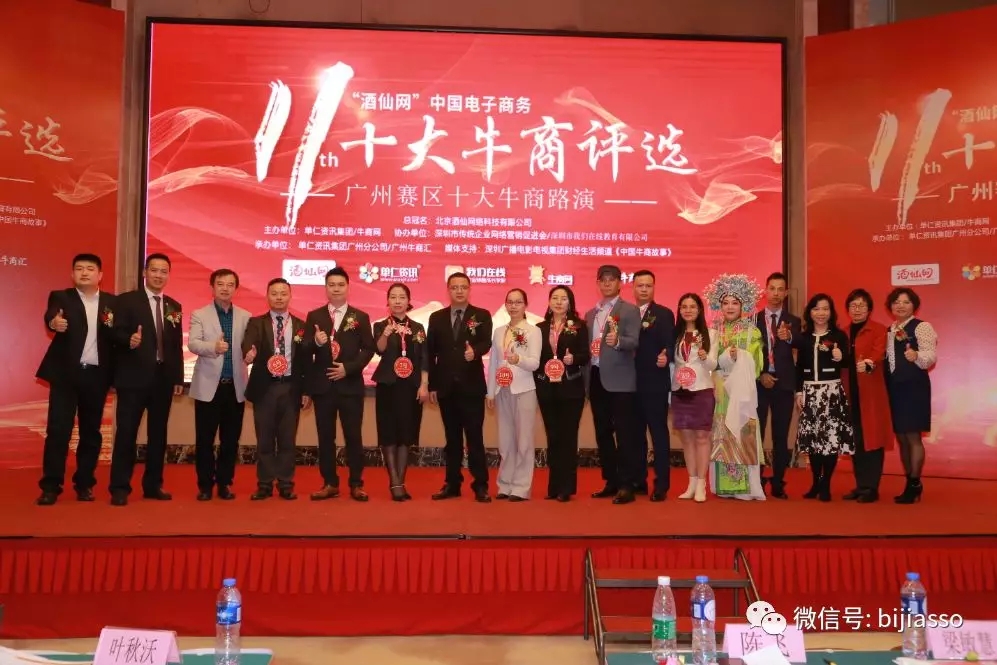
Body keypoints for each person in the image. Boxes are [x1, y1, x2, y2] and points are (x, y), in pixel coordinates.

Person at [35, 253, 116, 505]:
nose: (84, 273)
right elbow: (51, 315)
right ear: (72, 274)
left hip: (97, 376)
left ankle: (84, 484)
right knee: (58, 430)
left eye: (90, 269)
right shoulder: (62, 297)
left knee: (91, 433)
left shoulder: (111, 303)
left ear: (100, 275)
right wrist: (54, 322)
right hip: (66, 375)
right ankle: (51, 486)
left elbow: (118, 336)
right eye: (79, 269)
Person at [108, 253, 184, 506]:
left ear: (168, 275)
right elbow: (112, 332)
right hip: (133, 379)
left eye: (163, 271)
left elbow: (175, 345)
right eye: (154, 270)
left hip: (163, 380)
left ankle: (153, 485)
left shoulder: (173, 306)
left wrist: (178, 377)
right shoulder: (126, 301)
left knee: (158, 435)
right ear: (144, 272)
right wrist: (128, 339)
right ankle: (120, 487)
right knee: (126, 433)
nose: (158, 275)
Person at [305, 267, 376, 502]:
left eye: (340, 285)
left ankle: (356, 484)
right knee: (326, 437)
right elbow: (304, 349)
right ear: (326, 288)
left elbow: (369, 349)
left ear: (348, 287)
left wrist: (349, 368)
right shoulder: (314, 316)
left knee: (353, 436)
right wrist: (316, 342)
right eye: (331, 285)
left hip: (350, 386)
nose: (336, 289)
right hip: (323, 387)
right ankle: (330, 483)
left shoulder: (360, 317)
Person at [426, 272, 493, 502]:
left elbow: (486, 342)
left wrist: (476, 352)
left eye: (463, 287)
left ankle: (480, 485)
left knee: (475, 438)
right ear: (448, 290)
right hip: (446, 388)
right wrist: (432, 385)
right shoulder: (436, 318)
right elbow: (430, 353)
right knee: (452, 439)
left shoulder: (481, 315)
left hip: (471, 387)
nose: (459, 291)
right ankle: (452, 484)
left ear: (469, 289)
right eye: (454, 287)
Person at [242, 278, 310, 500]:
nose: (279, 297)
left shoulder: (301, 325)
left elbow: (306, 362)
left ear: (290, 296)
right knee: (265, 439)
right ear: (267, 296)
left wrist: (306, 391)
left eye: (283, 293)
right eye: (274, 293)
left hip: (290, 388)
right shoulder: (256, 323)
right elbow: (248, 343)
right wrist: (248, 353)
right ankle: (264, 484)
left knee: (287, 440)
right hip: (265, 388)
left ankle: (286, 483)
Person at [187, 268, 250, 501]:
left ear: (236, 289)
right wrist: (212, 347)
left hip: (235, 387)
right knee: (204, 440)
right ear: (212, 287)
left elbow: (249, 345)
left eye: (230, 284)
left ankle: (224, 483)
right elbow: (193, 343)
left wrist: (252, 353)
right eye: (220, 284)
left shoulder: (245, 316)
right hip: (208, 387)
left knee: (230, 440)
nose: (225, 288)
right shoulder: (199, 314)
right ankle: (205, 485)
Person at [703, 273, 765, 501]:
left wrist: (739, 356)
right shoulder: (713, 330)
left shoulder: (752, 331)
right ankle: (724, 486)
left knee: (743, 433)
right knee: (721, 434)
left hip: (742, 391)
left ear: (743, 305)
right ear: (719, 305)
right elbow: (708, 362)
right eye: (725, 302)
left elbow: (757, 364)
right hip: (720, 390)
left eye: (735, 302)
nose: (730, 307)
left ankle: (746, 488)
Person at [585, 264, 642, 505]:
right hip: (596, 377)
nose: (607, 283)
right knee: (603, 433)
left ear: (620, 283)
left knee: (625, 434)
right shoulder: (591, 314)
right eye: (603, 280)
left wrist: (618, 341)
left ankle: (627, 485)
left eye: (612, 279)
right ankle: (611, 481)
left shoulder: (629, 310)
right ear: (598, 283)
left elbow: (634, 341)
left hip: (620, 381)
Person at [794, 293, 854, 502]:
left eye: (825, 309)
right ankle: (815, 482)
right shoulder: (803, 338)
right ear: (810, 312)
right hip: (810, 392)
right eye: (816, 308)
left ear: (831, 312)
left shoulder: (839, 336)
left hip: (831, 392)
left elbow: (847, 362)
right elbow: (799, 368)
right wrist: (799, 392)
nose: (821, 313)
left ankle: (826, 483)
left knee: (830, 440)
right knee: (813, 441)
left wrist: (840, 357)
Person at [372, 283, 429, 501]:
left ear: (408, 301)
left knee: (406, 434)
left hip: (411, 387)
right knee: (388, 434)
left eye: (402, 297)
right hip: (388, 386)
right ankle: (394, 482)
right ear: (388, 301)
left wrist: (424, 385)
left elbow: (424, 358)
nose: (397, 301)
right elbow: (379, 349)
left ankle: (400, 482)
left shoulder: (418, 328)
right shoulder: (380, 325)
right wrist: (385, 335)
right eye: (393, 297)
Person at [534, 286, 590, 502]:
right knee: (553, 437)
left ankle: (566, 487)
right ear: (549, 302)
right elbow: (536, 359)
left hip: (571, 389)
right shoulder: (539, 328)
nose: (559, 302)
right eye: (555, 298)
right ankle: (553, 487)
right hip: (547, 390)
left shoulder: (579, 326)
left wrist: (573, 359)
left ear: (570, 303)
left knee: (568, 438)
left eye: (563, 298)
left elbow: (585, 355)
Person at [486, 288, 541, 501]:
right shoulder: (499, 331)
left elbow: (535, 363)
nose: (513, 306)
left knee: (524, 441)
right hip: (502, 390)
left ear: (525, 305)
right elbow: (493, 363)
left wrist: (519, 360)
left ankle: (521, 488)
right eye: (510, 302)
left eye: (518, 302)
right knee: (506, 441)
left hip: (524, 389)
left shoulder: (533, 331)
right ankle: (505, 484)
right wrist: (490, 392)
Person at [885, 287, 937, 504]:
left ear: (914, 305)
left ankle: (914, 483)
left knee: (913, 436)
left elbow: (930, 357)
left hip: (914, 387)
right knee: (902, 438)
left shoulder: (922, 327)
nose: (900, 306)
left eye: (906, 302)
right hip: (895, 388)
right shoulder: (890, 329)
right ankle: (910, 481)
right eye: (896, 302)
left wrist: (917, 356)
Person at [841, 288, 892, 503]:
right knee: (856, 441)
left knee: (873, 440)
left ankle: (871, 487)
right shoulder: (843, 332)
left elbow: (878, 353)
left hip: (871, 394)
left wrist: (869, 362)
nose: (857, 309)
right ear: (848, 309)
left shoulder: (878, 330)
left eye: (862, 305)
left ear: (869, 309)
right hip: (850, 393)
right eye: (853, 305)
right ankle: (861, 485)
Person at [754, 272, 801, 499]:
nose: (775, 293)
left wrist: (789, 337)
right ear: (765, 291)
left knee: (781, 436)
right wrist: (761, 373)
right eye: (771, 288)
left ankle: (779, 481)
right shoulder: (753, 320)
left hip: (784, 384)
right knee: (757, 433)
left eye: (780, 289)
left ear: (786, 292)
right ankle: (757, 480)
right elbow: (748, 354)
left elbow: (801, 343)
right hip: (759, 383)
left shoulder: (794, 321)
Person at [632, 270, 676, 501]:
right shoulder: (626, 313)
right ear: (633, 287)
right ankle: (638, 481)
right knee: (635, 436)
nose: (644, 289)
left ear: (654, 288)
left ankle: (661, 485)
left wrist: (666, 355)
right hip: (629, 385)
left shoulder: (663, 314)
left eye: (648, 285)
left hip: (655, 384)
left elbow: (670, 343)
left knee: (658, 434)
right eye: (640, 285)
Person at [671, 293, 718, 503]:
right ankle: (691, 483)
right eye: (684, 307)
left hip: (701, 389)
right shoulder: (676, 335)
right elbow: (673, 363)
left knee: (701, 437)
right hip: (680, 390)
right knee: (687, 438)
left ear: (699, 310)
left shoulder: (711, 334)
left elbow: (713, 365)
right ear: (679, 310)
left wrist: (703, 355)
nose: (688, 310)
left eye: (692, 306)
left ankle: (701, 484)